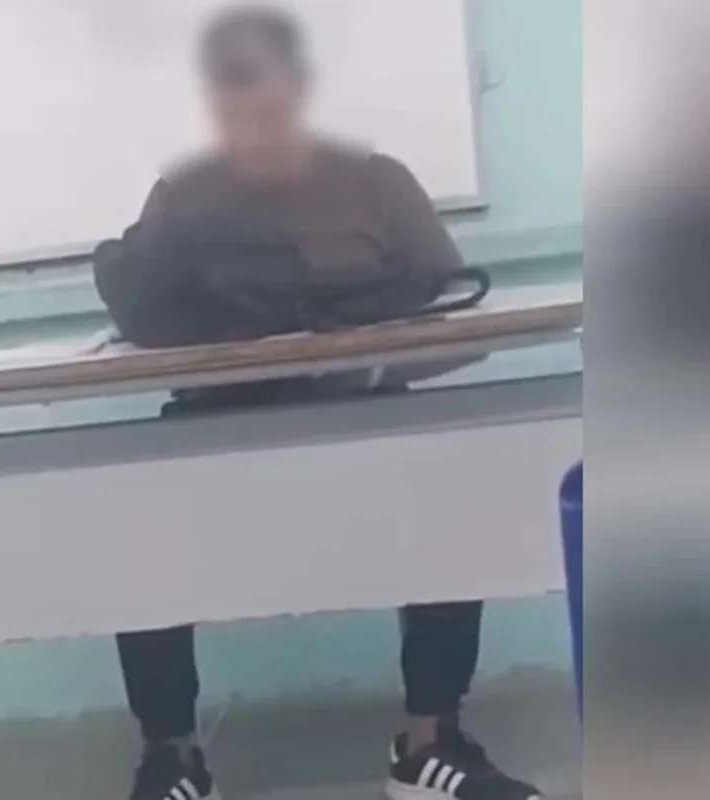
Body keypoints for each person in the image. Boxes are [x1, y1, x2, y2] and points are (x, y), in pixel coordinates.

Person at [93, 6, 542, 800]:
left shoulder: (375, 181)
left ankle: (428, 744)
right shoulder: (182, 193)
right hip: (219, 436)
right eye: (229, 94)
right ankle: (173, 757)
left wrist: (363, 364)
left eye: (262, 89)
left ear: (299, 87)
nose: (248, 112)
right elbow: (143, 322)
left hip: (366, 422)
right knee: (132, 513)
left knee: (452, 482)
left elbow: (462, 325)